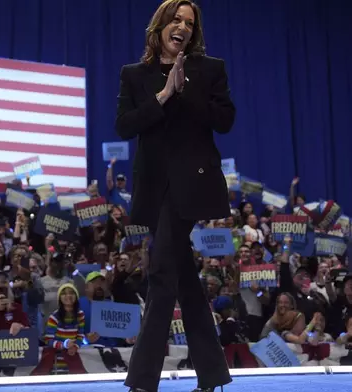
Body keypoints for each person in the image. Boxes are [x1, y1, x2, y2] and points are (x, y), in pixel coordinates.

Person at [115, 1, 235, 391]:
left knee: (161, 273)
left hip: (193, 186)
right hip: (155, 188)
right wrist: (164, 95)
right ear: (161, 26)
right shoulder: (135, 75)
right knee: (183, 279)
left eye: (189, 22)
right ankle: (213, 375)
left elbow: (225, 120)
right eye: (176, 19)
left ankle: (142, 381)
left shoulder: (209, 69)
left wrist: (186, 90)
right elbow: (124, 127)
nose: (182, 25)